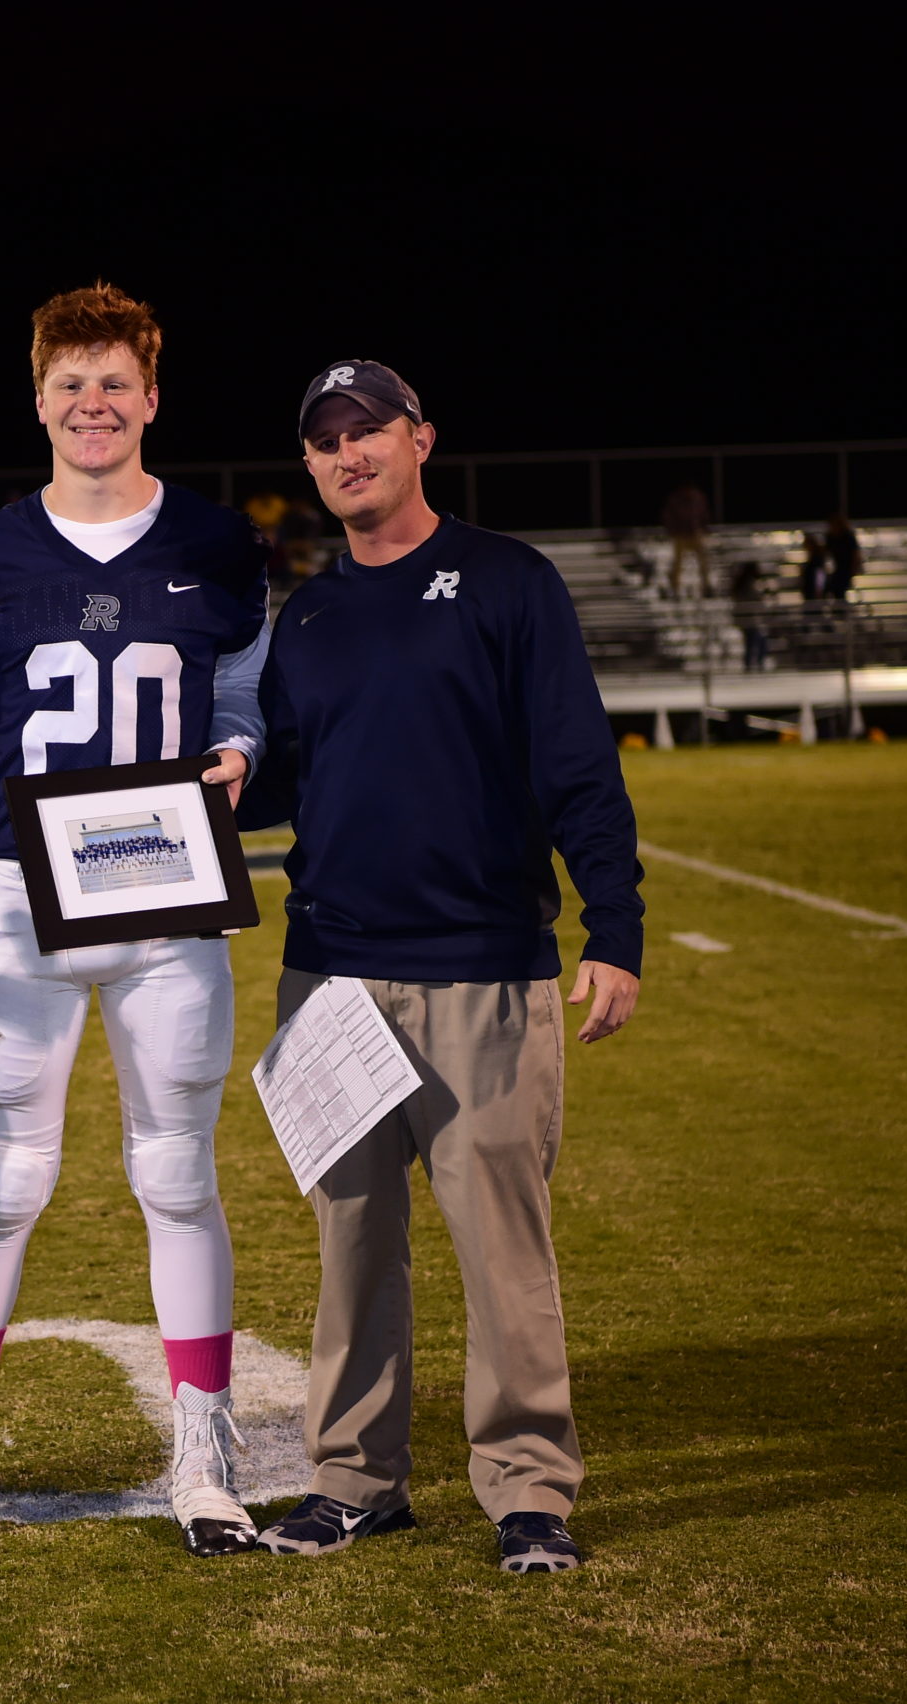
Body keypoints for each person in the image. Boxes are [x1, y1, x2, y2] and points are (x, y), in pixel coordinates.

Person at [240, 359, 643, 1576]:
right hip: (330, 979)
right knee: (352, 1249)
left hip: (483, 970)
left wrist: (613, 929)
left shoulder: (508, 579)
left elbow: (576, 760)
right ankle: (353, 1482)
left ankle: (528, 1491)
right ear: (307, 465)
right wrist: (202, 789)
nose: (346, 453)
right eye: (325, 439)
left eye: (367, 429)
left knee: (502, 1253)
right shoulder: (307, 616)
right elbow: (282, 780)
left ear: (420, 439)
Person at [0, 281, 271, 1563]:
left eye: (114, 382)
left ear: (151, 397)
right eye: (71, 384)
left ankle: (205, 1453)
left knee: (177, 1173)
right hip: (20, 894)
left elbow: (242, 697)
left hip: (167, 891)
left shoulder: (220, 542)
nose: (93, 403)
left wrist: (237, 751)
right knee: (5, 1180)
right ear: (38, 398)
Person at [661, 481, 712, 601]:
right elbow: (668, 515)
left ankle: (706, 586)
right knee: (677, 563)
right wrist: (672, 529)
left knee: (703, 561)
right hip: (681, 534)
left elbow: (704, 514)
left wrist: (704, 527)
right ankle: (674, 588)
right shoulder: (676, 499)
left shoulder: (697, 497)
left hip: (694, 533)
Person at [824, 512, 863, 601]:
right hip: (838, 568)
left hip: (846, 568)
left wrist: (854, 568)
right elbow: (826, 552)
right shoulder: (830, 537)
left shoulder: (847, 536)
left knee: (840, 589)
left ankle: (841, 606)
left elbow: (855, 554)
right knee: (835, 588)